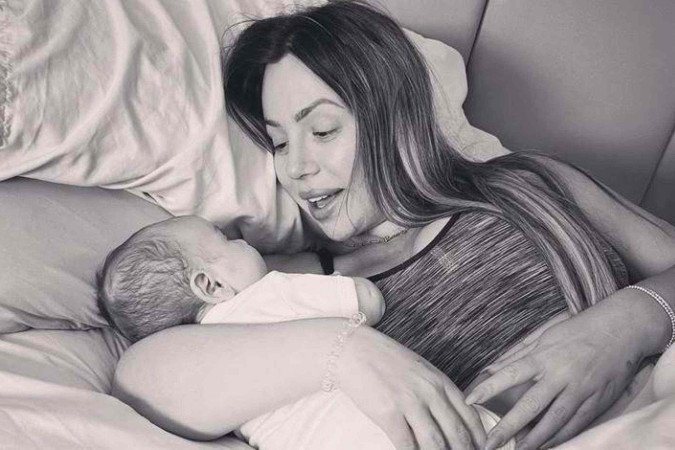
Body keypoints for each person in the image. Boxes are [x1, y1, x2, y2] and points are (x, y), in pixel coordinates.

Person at [112, 2, 675, 449]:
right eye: (279, 143)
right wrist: (342, 352)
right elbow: (143, 379)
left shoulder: (528, 184)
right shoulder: (295, 284)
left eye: (322, 131)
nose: (295, 168)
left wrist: (624, 326)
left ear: (394, 113)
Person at [97, 215, 514, 450]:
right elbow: (368, 300)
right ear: (211, 284)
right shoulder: (272, 294)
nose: (243, 241)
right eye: (225, 239)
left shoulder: (215, 373)